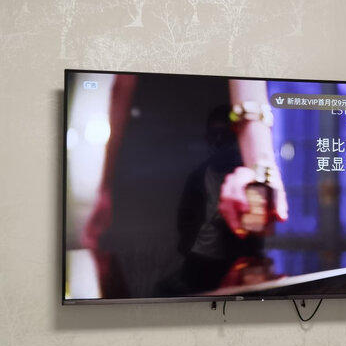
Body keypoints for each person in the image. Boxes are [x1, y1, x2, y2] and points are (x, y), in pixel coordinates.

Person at [82, 73, 287, 298]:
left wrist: (106, 187)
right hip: (213, 170)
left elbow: (123, 85)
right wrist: (260, 164)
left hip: (146, 175)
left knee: (140, 309)